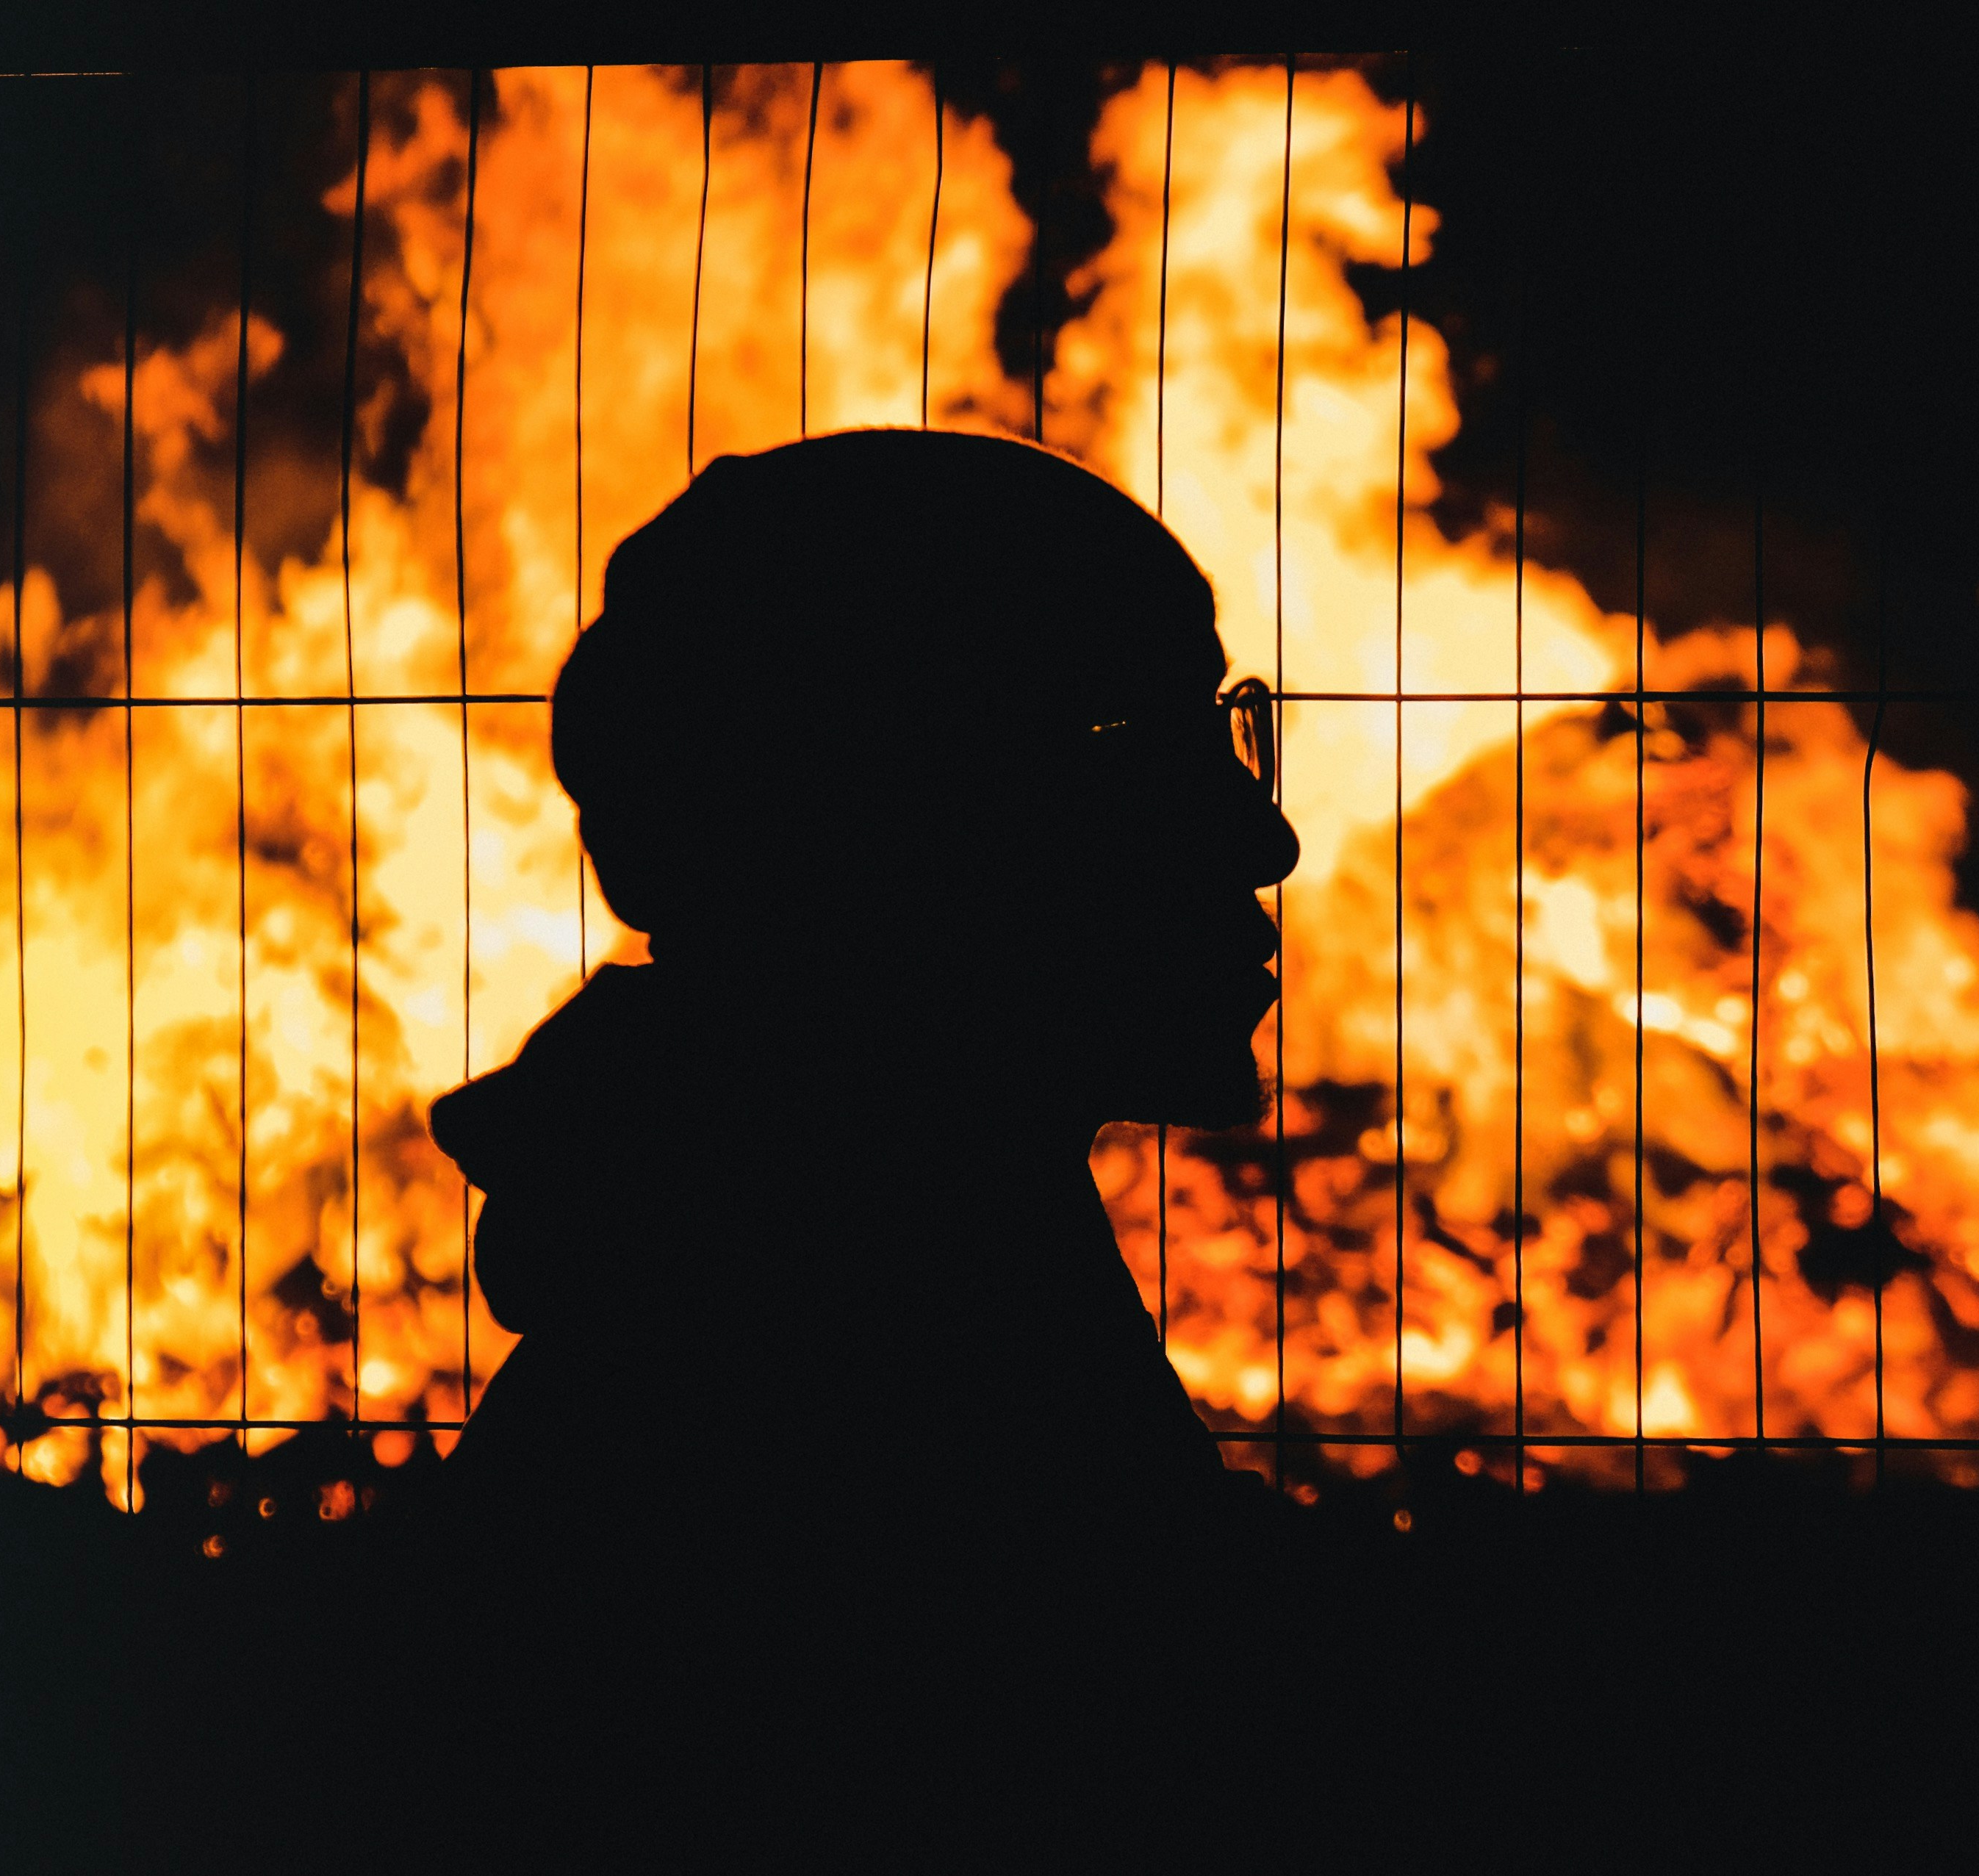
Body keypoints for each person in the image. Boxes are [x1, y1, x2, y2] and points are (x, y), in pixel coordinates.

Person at [422, 429, 1328, 1856]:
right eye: (1132, 745)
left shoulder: (875, 1259)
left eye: (1224, 726)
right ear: (891, 816)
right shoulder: (839, 1405)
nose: (1259, 834)